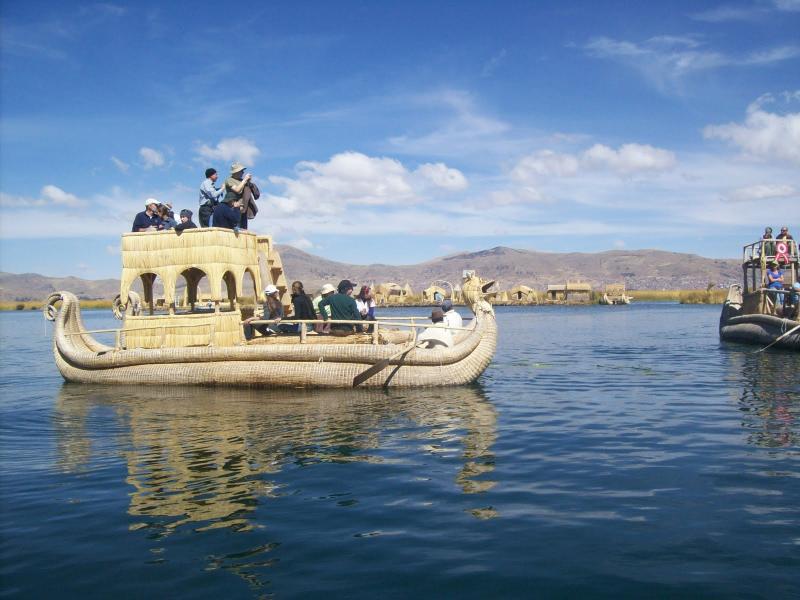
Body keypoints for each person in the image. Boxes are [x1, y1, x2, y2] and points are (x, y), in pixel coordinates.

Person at [224, 163, 258, 230]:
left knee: (243, 229)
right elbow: (237, 190)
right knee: (235, 228)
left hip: (243, 208)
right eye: (241, 171)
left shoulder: (241, 180)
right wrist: (244, 180)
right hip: (234, 207)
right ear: (236, 172)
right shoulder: (229, 180)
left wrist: (249, 182)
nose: (243, 172)